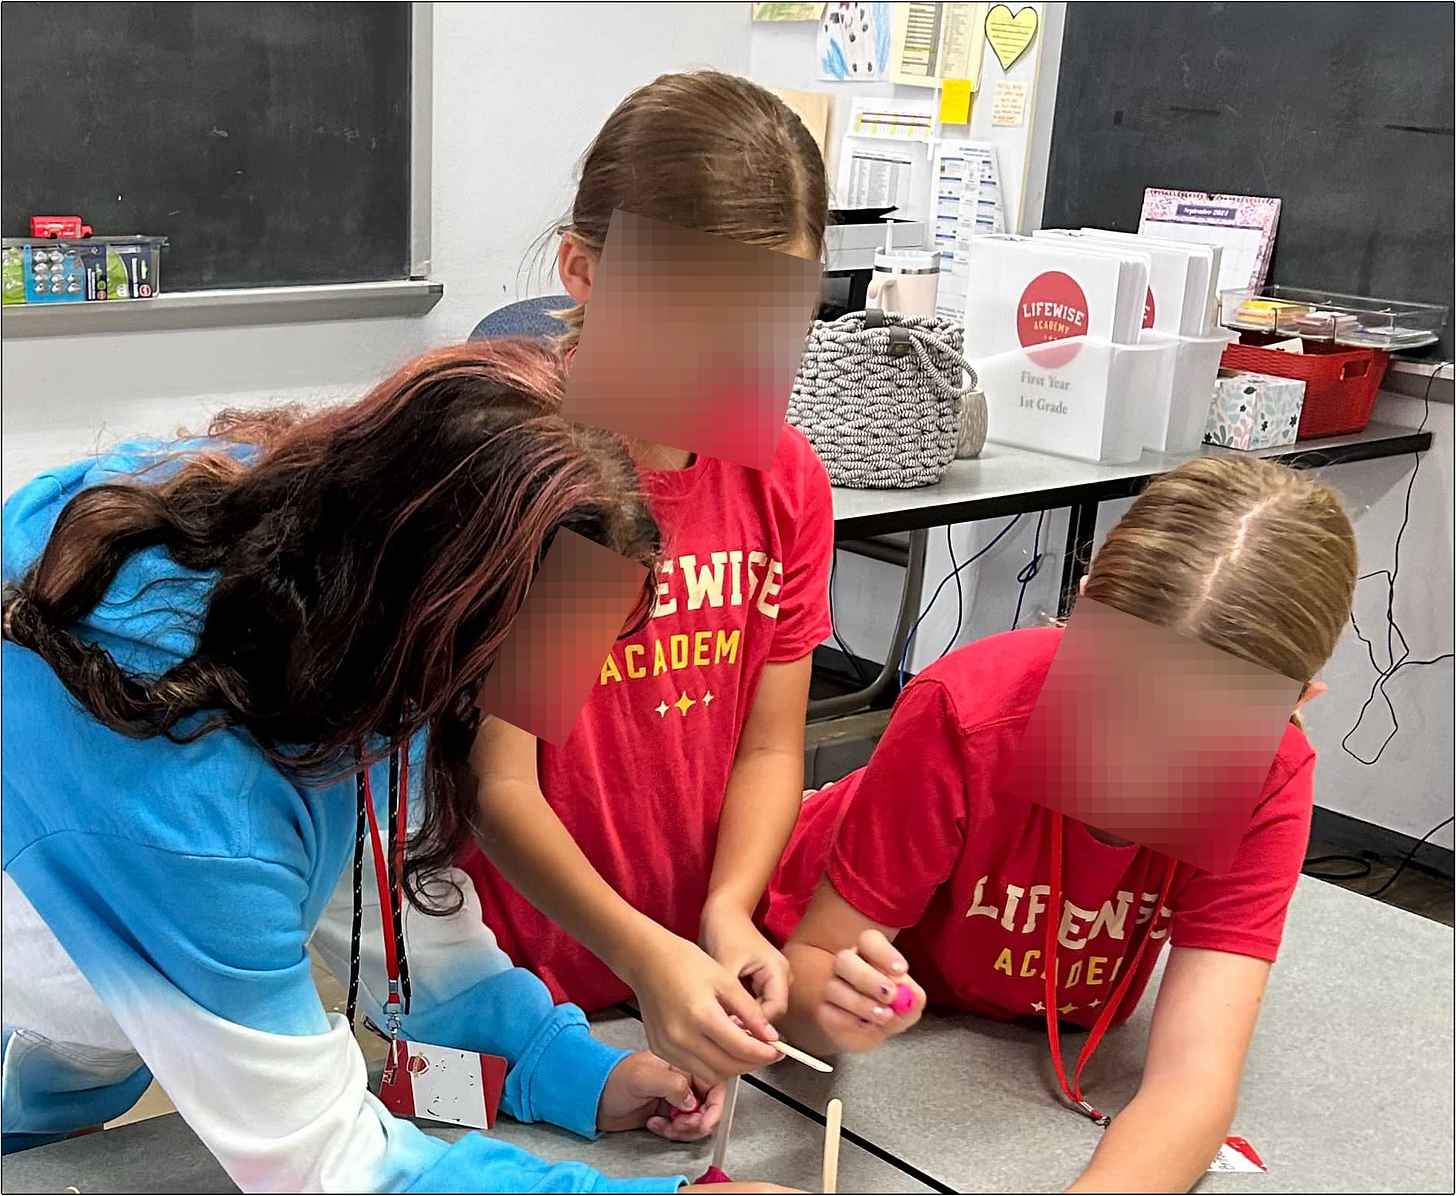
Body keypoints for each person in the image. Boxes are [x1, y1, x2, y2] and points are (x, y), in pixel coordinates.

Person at [1, 341, 780, 1193]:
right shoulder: (186, 800)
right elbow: (326, 1166)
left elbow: (397, 901)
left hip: (80, 1039)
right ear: (448, 636)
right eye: (499, 690)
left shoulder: (350, 577)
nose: (512, 724)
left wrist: (570, 1070)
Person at [765, 456, 1359, 1194]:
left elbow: (1194, 1078)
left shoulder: (1269, 777)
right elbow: (812, 969)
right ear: (1078, 615)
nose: (1130, 771)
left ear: (1297, 702)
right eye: (1113, 701)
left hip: (1020, 1027)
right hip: (822, 950)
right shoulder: (964, 715)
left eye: (1194, 742)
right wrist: (827, 1013)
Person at [460, 71, 836, 1086]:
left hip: (675, 971)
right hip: (530, 986)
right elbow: (501, 783)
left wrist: (726, 908)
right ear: (585, 271)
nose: (730, 363)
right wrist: (640, 949)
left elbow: (769, 744)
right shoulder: (569, 483)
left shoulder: (779, 480)